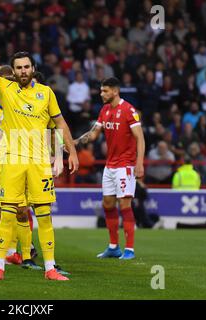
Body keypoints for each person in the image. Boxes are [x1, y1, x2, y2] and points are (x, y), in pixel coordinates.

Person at [0, 14, 79, 281]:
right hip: (12, 159)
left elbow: (59, 123)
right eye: (19, 68)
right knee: (6, 214)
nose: (23, 71)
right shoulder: (6, 88)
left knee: (44, 215)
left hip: (39, 161)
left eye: (27, 67)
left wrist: (70, 151)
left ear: (32, 68)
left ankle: (50, 268)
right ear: (13, 71)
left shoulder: (46, 93)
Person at [75, 77, 145, 260]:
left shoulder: (129, 110)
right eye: (101, 90)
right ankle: (113, 247)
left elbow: (140, 138)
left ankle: (129, 249)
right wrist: (75, 141)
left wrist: (139, 163)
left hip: (126, 165)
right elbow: (94, 133)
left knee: (125, 204)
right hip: (110, 165)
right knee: (107, 204)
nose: (101, 94)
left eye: (105, 91)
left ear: (115, 91)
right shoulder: (105, 110)